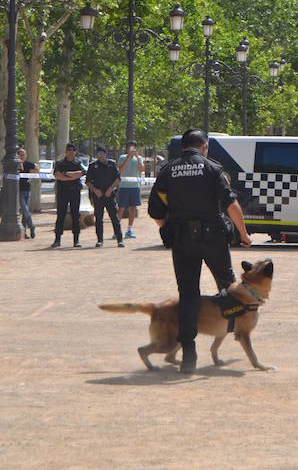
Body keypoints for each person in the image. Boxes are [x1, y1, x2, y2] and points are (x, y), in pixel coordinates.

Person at [148, 128, 251, 374]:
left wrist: (169, 228)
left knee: (188, 295)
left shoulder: (167, 171)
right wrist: (244, 234)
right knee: (228, 286)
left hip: (183, 240)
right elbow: (232, 204)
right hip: (213, 237)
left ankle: (189, 356)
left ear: (183, 146)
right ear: (204, 146)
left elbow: (155, 211)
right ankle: (236, 330)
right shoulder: (212, 169)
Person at [86, 146, 124, 248]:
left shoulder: (112, 164)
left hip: (109, 195)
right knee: (98, 218)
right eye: (98, 154)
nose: (99, 156)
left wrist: (111, 189)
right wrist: (95, 190)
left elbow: (117, 179)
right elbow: (88, 181)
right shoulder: (93, 166)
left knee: (114, 218)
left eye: (101, 154)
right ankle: (100, 240)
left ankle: (120, 239)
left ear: (105, 154)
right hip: (98, 196)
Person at [51, 143, 84, 249]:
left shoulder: (78, 163)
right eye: (69, 150)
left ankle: (76, 240)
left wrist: (65, 174)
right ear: (66, 152)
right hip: (62, 192)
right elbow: (57, 176)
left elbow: (82, 173)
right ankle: (57, 240)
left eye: (73, 150)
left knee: (75, 215)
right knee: (60, 215)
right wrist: (72, 176)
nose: (71, 152)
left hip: (75, 192)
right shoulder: (60, 163)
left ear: (75, 152)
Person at [117, 141, 144, 239]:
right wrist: (129, 157)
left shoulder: (139, 158)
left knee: (133, 209)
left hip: (135, 187)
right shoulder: (122, 157)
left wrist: (136, 157)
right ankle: (117, 230)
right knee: (121, 208)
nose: (131, 149)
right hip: (124, 186)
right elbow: (120, 169)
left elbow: (141, 169)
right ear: (127, 148)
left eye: (133, 147)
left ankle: (129, 229)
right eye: (130, 147)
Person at [17, 147, 36, 239]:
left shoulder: (28, 164)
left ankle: (24, 231)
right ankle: (32, 226)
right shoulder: (15, 165)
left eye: (23, 155)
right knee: (25, 210)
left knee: (25, 212)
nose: (22, 156)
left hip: (27, 189)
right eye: (20, 155)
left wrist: (31, 176)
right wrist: (20, 164)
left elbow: (37, 167)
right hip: (19, 190)